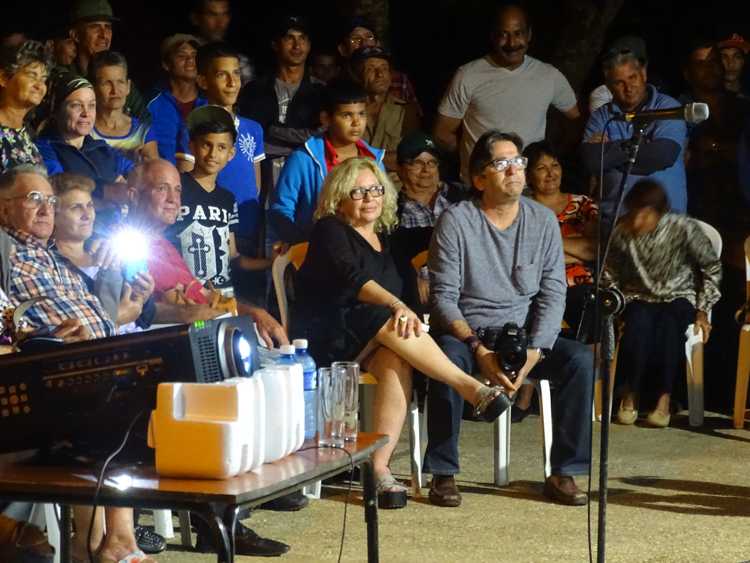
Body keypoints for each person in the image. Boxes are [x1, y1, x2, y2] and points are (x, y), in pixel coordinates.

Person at [296, 157, 510, 509]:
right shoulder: (330, 229)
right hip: (329, 333)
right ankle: (469, 387)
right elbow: (354, 281)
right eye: (359, 191)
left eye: (376, 189)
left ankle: (379, 470)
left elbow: (442, 233)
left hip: (380, 336)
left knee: (398, 360)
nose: (370, 198)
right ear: (339, 197)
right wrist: (399, 306)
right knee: (390, 318)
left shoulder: (389, 237)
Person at [424, 130, 593, 507]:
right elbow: (443, 299)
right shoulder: (457, 221)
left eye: (518, 162)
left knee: (580, 360)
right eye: (502, 163)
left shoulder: (542, 221)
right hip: (469, 333)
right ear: (480, 178)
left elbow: (553, 292)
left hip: (524, 335)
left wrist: (536, 348)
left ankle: (564, 472)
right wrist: (478, 348)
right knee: (447, 360)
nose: (514, 170)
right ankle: (443, 472)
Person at [0, 165, 157, 563]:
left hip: (94, 358)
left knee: (150, 388)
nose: (45, 209)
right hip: (47, 371)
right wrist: (42, 341)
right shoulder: (7, 252)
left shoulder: (53, 260)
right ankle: (111, 542)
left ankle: (109, 540)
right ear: (3, 210)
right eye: (33, 199)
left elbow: (103, 314)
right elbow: (11, 326)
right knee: (116, 405)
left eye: (49, 201)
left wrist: (111, 275)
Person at [604, 180, 721, 428]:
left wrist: (703, 309)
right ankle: (630, 394)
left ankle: (663, 400)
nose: (638, 221)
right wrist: (613, 301)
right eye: (635, 213)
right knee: (639, 325)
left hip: (679, 294)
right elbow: (610, 272)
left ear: (659, 213)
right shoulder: (622, 231)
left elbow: (711, 267)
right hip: (638, 295)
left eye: (646, 215)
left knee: (670, 327)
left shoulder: (682, 228)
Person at [434, 4, 579, 182]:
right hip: (482, 187)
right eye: (503, 34)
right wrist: (473, 158)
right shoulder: (468, 75)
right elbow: (443, 133)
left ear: (529, 35)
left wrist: (553, 153)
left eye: (518, 33)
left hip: (530, 187)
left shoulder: (549, 75)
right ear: (493, 37)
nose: (511, 43)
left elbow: (575, 119)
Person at [168, 105, 280, 293]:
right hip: (184, 296)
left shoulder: (227, 200)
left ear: (231, 154)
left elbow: (233, 257)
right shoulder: (176, 190)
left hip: (223, 297)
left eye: (221, 147)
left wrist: (271, 262)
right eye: (206, 145)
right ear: (192, 146)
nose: (213, 154)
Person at [581, 35, 688, 232]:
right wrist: (641, 146)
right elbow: (592, 160)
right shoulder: (601, 117)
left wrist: (610, 152)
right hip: (614, 224)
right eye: (619, 83)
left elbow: (662, 156)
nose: (628, 88)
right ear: (608, 86)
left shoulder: (667, 108)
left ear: (644, 74)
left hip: (665, 225)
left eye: (633, 78)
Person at [176, 43, 265, 258]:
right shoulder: (193, 128)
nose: (232, 82)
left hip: (248, 230)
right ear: (203, 81)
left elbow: (256, 185)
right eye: (222, 75)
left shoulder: (253, 128)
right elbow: (187, 186)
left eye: (236, 73)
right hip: (210, 233)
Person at [269, 79, 385, 243]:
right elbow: (281, 209)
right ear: (326, 119)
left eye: (361, 113)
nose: (356, 122)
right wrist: (300, 243)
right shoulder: (304, 158)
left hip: (366, 250)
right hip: (316, 250)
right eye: (347, 115)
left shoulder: (374, 160)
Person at [51, 172, 156, 332]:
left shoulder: (109, 249)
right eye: (76, 208)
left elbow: (146, 317)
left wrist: (143, 297)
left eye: (90, 205)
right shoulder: (50, 265)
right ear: (54, 215)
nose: (87, 215)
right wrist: (117, 319)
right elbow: (73, 330)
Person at [239, 15, 324, 196]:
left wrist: (271, 131)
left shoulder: (321, 92)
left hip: (307, 177)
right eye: (289, 38)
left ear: (309, 45)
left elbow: (320, 139)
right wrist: (298, 139)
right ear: (275, 44)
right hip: (261, 175)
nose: (297, 45)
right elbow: (250, 139)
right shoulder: (254, 90)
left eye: (302, 39)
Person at [389, 131, 469, 311]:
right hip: (419, 292)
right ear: (401, 168)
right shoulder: (391, 209)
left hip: (466, 281)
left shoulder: (461, 197)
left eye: (432, 163)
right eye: (417, 163)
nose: (426, 170)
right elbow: (391, 255)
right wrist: (415, 275)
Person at [35, 71, 133, 201]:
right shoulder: (44, 149)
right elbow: (61, 186)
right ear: (57, 110)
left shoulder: (101, 148)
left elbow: (137, 172)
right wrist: (110, 190)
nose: (86, 113)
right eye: (76, 105)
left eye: (91, 105)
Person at [62, 0, 149, 123]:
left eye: (107, 27)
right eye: (95, 27)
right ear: (76, 35)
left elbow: (145, 127)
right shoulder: (64, 79)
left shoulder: (120, 80)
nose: (104, 35)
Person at [352, 46, 420, 174]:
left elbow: (410, 157)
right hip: (356, 184)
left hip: (394, 188)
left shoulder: (406, 110)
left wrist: (361, 158)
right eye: (371, 69)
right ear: (357, 75)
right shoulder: (347, 111)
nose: (380, 74)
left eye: (384, 68)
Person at [146, 34, 206, 164]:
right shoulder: (151, 103)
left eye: (195, 56)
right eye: (182, 56)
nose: (190, 60)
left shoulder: (209, 103)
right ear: (166, 64)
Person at [89, 51, 158, 162]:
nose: (115, 90)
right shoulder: (85, 129)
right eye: (107, 83)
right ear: (93, 88)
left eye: (120, 82)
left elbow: (155, 174)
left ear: (128, 86)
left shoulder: (142, 132)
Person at [336, 16, 420, 108]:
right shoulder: (336, 82)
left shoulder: (399, 80)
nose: (364, 44)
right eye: (355, 39)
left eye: (370, 37)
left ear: (378, 44)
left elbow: (413, 114)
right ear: (342, 49)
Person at [0, 40, 50, 172]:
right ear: (4, 78)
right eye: (32, 76)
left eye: (43, 79)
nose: (39, 85)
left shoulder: (28, 134)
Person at [190, 0, 254, 86]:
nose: (220, 23)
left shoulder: (240, 61)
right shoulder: (184, 59)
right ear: (195, 18)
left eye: (224, 14)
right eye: (212, 15)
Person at [718, 33, 750, 98]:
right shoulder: (706, 96)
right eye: (724, 57)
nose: (730, 63)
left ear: (743, 61)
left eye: (737, 57)